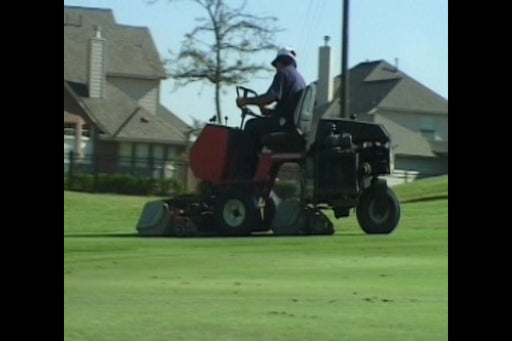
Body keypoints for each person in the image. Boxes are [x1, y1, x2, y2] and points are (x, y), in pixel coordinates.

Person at [235, 47, 306, 179]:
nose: (276, 68)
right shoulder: (299, 79)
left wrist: (246, 101)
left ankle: (244, 174)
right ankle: (257, 171)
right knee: (258, 127)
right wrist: (267, 111)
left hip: (284, 125)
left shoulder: (283, 74)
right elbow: (288, 106)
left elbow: (271, 96)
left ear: (280, 62)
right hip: (289, 123)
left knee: (250, 126)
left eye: (276, 65)